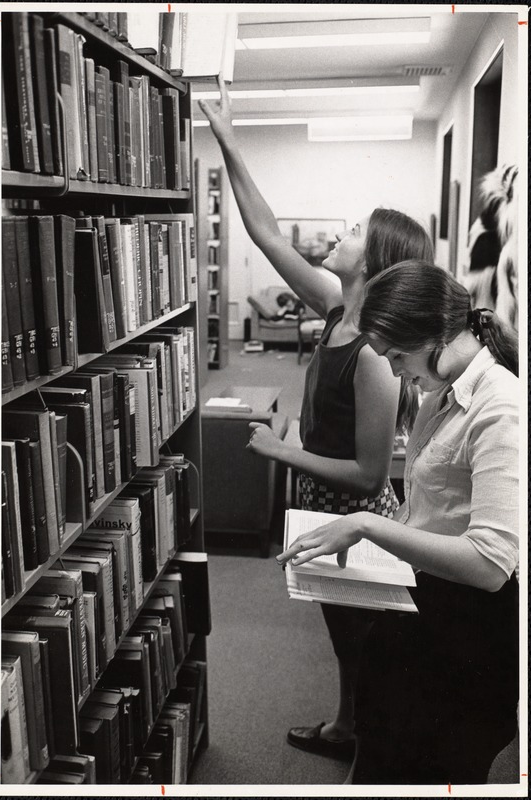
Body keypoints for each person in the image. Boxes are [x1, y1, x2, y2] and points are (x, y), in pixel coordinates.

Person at [199, 77, 435, 763]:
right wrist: (227, 138)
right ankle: (348, 725)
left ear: (378, 261)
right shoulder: (336, 307)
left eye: (354, 231)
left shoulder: (371, 355)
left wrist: (281, 451)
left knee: (360, 634)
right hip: (319, 503)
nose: (339, 233)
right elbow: (265, 231)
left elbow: (367, 475)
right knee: (342, 631)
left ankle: (358, 731)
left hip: (351, 509)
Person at [277, 261, 520, 785]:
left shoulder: (500, 408)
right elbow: (433, 512)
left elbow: (491, 565)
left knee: (425, 766)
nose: (390, 371)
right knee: (383, 743)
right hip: (432, 606)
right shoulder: (442, 391)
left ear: (434, 333)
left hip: (476, 633)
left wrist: (369, 527)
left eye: (396, 356)